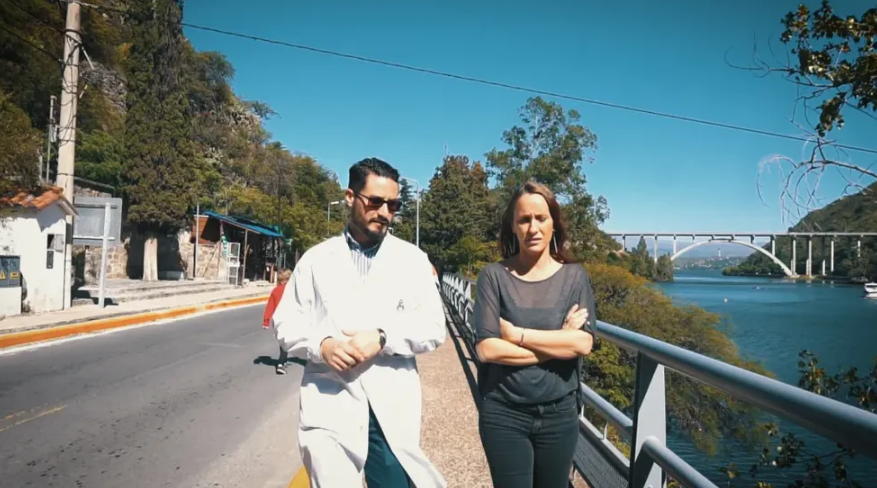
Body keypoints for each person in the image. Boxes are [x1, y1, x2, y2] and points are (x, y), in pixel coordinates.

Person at [272, 157, 447, 488]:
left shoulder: (412, 261)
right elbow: (286, 321)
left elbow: (434, 327)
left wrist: (383, 337)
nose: (384, 212)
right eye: (376, 201)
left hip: (390, 404)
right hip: (330, 397)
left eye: (393, 205)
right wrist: (321, 345)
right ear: (350, 197)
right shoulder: (317, 259)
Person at [472, 180, 597, 488]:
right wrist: (559, 342)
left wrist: (517, 335)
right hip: (504, 413)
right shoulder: (493, 277)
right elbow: (487, 350)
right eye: (524, 219)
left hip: (560, 415)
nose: (533, 228)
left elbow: (583, 343)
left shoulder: (574, 277)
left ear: (554, 223)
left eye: (541, 218)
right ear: (512, 227)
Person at [263, 268, 292, 374]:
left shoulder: (275, 291)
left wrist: (266, 321)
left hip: (277, 320)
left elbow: (270, 306)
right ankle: (280, 363)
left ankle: (283, 361)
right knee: (286, 342)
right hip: (288, 319)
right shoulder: (291, 290)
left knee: (283, 342)